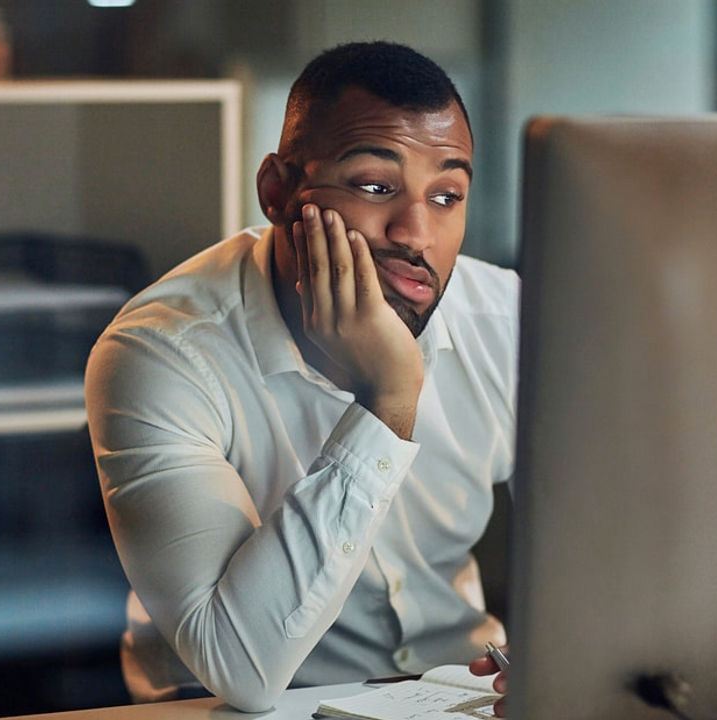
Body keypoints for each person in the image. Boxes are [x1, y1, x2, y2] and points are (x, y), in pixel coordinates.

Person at [85, 40, 517, 713]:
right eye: (375, 187)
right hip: (223, 706)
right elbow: (241, 668)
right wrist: (387, 401)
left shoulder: (505, 320)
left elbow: (615, 534)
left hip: (453, 693)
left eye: (446, 195)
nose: (416, 232)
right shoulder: (160, 351)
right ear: (277, 191)